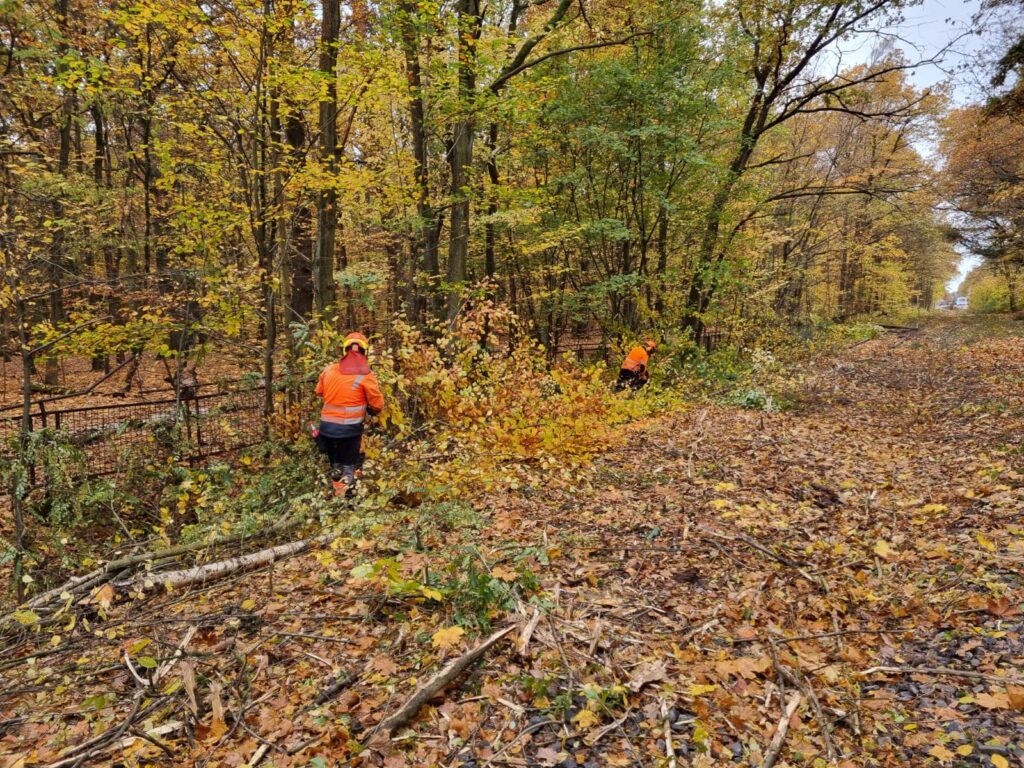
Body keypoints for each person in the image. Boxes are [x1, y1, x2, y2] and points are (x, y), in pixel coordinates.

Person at [315, 331, 385, 497]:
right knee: (349, 467)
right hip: (350, 432)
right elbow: (378, 404)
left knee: (336, 465)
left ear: (344, 350)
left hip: (326, 430)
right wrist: (371, 410)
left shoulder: (328, 370)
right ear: (365, 352)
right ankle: (349, 501)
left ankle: (337, 493)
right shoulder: (366, 375)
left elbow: (318, 391)